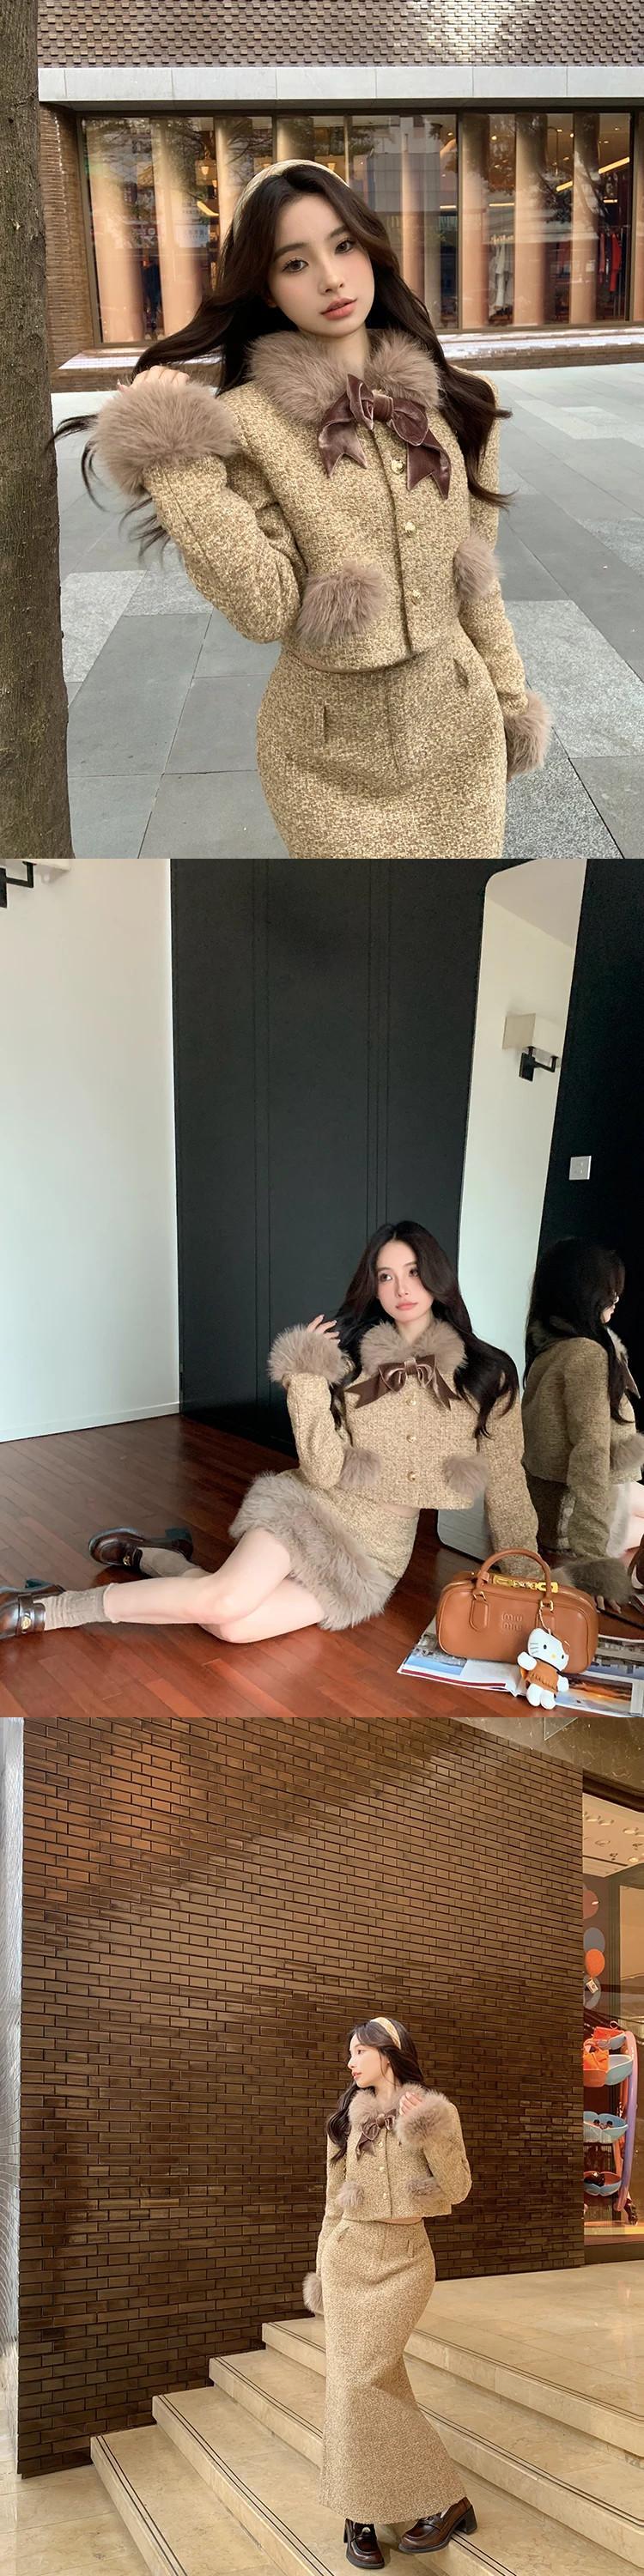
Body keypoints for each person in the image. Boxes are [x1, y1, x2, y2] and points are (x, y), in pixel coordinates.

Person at [82, 161, 550, 860]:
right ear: (266, 290)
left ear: (372, 251)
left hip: (461, 730)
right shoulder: (244, 426)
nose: (331, 279)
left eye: (344, 246)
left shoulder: (460, 402)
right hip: (326, 756)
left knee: (453, 917)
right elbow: (263, 609)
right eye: (295, 263)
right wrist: (175, 458)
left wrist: (511, 702)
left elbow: (475, 581)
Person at [1, 1221, 538, 1645]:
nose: (401, 1288)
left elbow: (508, 1486)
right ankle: (51, 1608)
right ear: (373, 1286)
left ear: (438, 1275)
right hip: (314, 1507)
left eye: (413, 1271)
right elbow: (322, 1470)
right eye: (386, 1276)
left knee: (231, 1626)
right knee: (224, 1600)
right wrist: (306, 1377)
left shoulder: (488, 1374)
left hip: (377, 1552)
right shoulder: (348, 1361)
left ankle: (152, 1557)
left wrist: (529, 1585)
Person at [303, 2014, 476, 2565]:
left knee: (362, 2381)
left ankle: (444, 2498)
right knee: (357, 2383)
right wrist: (322, 2266)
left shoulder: (433, 2112)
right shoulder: (345, 2122)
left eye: (360, 2051)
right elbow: (332, 2202)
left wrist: (425, 2128)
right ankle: (360, 2515)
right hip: (348, 2258)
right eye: (350, 2052)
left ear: (388, 2053)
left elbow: (458, 2188)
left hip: (405, 2263)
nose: (350, 2061)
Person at [522, 1239, 644, 1603]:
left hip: (560, 1504)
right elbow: (590, 1454)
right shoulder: (586, 1355)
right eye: (609, 1290)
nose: (617, 1298)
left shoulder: (554, 1347)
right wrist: (593, 1563)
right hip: (573, 1511)